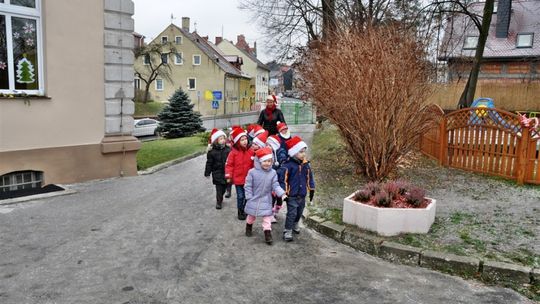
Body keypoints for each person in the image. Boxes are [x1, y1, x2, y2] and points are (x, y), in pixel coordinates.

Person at [244, 147, 287, 245]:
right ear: (259, 161)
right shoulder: (252, 172)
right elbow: (248, 185)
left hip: (266, 199)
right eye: (265, 161)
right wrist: (249, 197)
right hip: (254, 198)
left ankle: (268, 234)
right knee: (251, 216)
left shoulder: (273, 173)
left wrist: (282, 193)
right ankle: (248, 226)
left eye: (269, 161)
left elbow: (275, 185)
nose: (267, 163)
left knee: (267, 217)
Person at [279, 136, 315, 242]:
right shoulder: (288, 166)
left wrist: (311, 188)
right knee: (292, 213)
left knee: (299, 212)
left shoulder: (306, 165)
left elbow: (309, 177)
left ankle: (295, 224)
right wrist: (284, 193)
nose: (303, 154)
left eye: (304, 151)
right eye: (300, 152)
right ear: (294, 152)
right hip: (292, 195)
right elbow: (283, 180)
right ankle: (287, 230)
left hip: (302, 194)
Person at [225, 127, 254, 220]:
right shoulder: (233, 153)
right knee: (240, 196)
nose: (245, 141)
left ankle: (245, 209)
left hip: (248, 179)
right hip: (238, 180)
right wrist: (228, 176)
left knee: (247, 196)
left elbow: (254, 163)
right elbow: (229, 165)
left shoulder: (251, 151)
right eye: (242, 140)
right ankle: (240, 211)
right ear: (237, 141)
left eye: (245, 139)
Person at [204, 128, 231, 210]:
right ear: (216, 140)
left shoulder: (228, 150)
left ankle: (223, 194)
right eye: (221, 139)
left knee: (224, 187)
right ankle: (219, 202)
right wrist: (207, 173)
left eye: (224, 138)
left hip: (226, 172)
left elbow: (232, 161)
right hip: (217, 173)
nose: (223, 140)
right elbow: (209, 163)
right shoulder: (212, 152)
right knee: (219, 189)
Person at [267, 134, 288, 222]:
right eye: (266, 144)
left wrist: (277, 171)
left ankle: (276, 210)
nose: (267, 146)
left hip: (280, 180)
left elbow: (284, 165)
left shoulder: (280, 152)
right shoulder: (268, 154)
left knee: (279, 199)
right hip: (271, 181)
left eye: (269, 145)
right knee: (271, 198)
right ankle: (270, 214)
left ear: (274, 145)